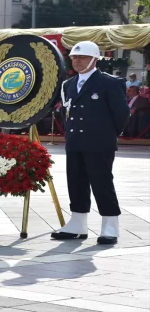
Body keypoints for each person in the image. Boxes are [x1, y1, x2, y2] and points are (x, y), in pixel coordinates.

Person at [52, 41, 130, 245]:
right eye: (74, 57)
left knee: (102, 183)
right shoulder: (68, 84)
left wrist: (108, 134)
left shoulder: (110, 83)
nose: (77, 61)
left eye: (83, 57)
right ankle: (77, 224)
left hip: (99, 142)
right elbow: (65, 112)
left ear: (95, 59)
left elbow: (121, 114)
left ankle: (110, 226)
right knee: (76, 183)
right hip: (75, 140)